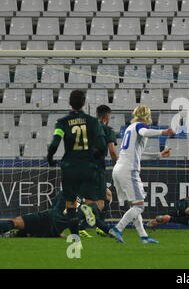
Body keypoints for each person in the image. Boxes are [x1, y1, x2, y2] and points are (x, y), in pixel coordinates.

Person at [109, 105, 174, 244]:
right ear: (147, 116)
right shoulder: (139, 126)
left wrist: (158, 155)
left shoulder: (129, 128)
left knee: (135, 206)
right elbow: (145, 132)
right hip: (128, 170)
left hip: (119, 169)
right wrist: (163, 132)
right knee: (139, 206)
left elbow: (137, 154)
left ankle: (143, 236)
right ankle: (117, 229)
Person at [46, 90, 107, 237]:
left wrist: (50, 158)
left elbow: (55, 143)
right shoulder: (93, 122)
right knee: (93, 201)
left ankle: (75, 236)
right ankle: (104, 228)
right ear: (84, 102)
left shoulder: (62, 122)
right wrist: (94, 157)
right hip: (88, 168)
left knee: (71, 204)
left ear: (69, 103)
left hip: (70, 167)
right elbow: (102, 146)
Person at [79, 105, 118, 238]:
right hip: (97, 169)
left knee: (103, 197)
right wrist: (118, 165)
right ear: (107, 117)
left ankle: (96, 228)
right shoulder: (107, 130)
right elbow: (112, 152)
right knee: (100, 202)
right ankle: (81, 225)